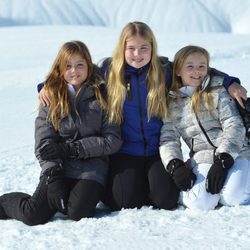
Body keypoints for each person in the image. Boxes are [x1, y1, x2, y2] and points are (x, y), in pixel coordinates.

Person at [38, 22, 247, 211]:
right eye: (131, 48)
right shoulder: (108, 70)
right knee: (124, 202)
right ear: (123, 48)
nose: (137, 54)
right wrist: (45, 86)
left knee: (166, 200)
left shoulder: (164, 69)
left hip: (157, 150)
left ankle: (160, 180)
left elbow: (196, 67)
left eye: (143, 48)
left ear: (152, 48)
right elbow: (76, 73)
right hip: (125, 151)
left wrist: (229, 82)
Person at [0, 41, 122, 225]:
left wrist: (74, 149)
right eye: (68, 66)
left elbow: (112, 140)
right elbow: (44, 142)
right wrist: (53, 175)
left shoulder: (103, 96)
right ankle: (4, 202)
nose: (74, 71)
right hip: (60, 167)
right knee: (33, 215)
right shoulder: (51, 97)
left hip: (92, 168)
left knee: (77, 212)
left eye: (80, 65)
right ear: (60, 68)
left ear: (89, 66)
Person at [159, 45, 250, 210]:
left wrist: (224, 159)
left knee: (233, 197)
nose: (197, 71)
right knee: (200, 204)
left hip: (236, 153)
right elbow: (168, 138)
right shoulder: (172, 102)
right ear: (178, 70)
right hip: (203, 157)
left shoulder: (217, 89)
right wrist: (175, 164)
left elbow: (234, 125)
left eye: (202, 66)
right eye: (190, 66)